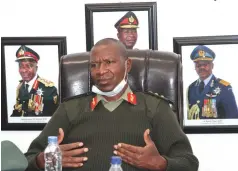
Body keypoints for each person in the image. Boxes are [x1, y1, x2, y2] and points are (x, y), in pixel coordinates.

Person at [25, 38, 199, 171]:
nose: (100, 71)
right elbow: (27, 159)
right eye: (94, 65)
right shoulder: (70, 109)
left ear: (127, 64)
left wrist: (161, 163)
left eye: (109, 62)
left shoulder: (154, 108)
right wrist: (43, 160)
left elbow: (189, 162)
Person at [187, 45, 238, 119]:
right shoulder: (191, 88)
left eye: (205, 64)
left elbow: (233, 117)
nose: (202, 67)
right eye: (198, 65)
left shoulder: (224, 87)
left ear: (212, 66)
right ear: (195, 67)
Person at [11, 45, 59, 117]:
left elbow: (54, 117)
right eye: (21, 66)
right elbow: (17, 113)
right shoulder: (20, 87)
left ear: (36, 68)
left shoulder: (49, 89)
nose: (24, 70)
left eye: (28, 66)